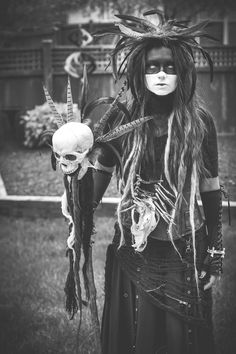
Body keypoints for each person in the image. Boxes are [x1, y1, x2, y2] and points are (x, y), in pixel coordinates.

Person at [92, 10, 225, 354]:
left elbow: (210, 185)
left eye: (170, 67)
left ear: (183, 72)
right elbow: (100, 175)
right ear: (140, 71)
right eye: (153, 67)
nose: (162, 74)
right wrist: (78, 195)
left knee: (181, 338)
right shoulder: (123, 119)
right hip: (133, 246)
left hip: (183, 244)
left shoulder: (199, 123)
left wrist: (215, 249)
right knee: (134, 333)